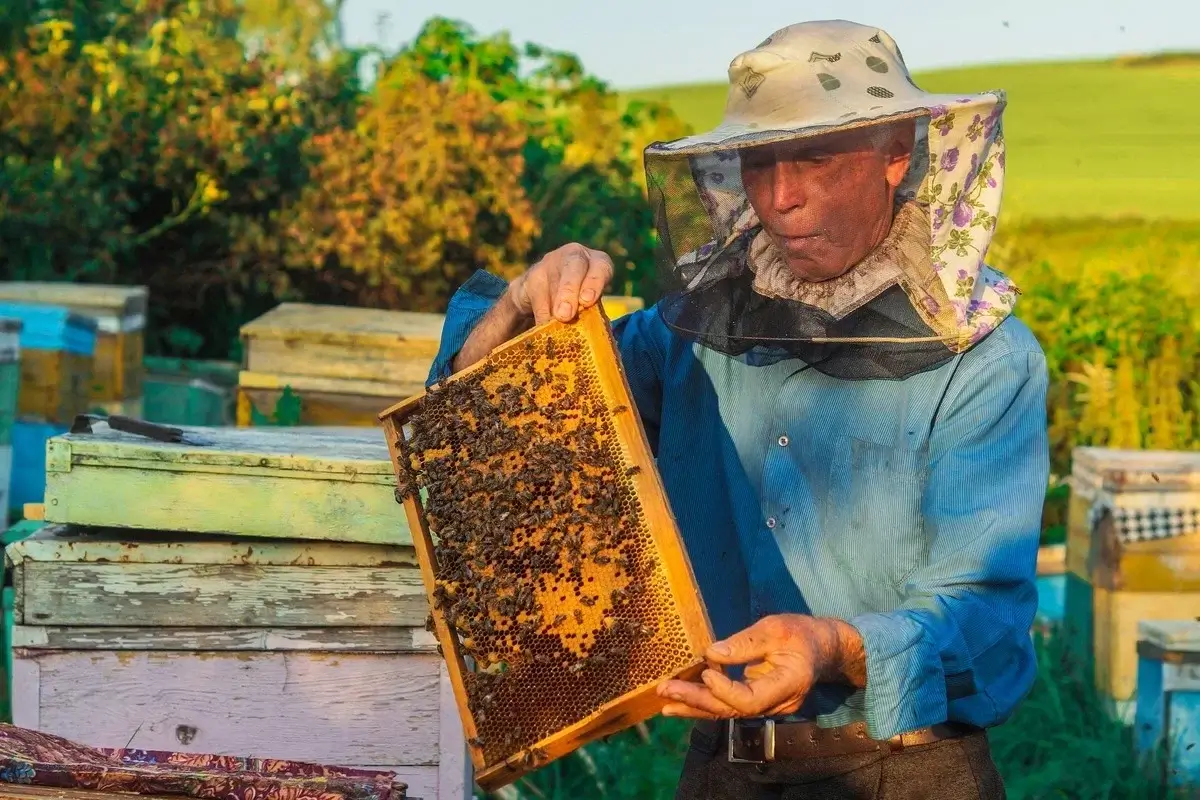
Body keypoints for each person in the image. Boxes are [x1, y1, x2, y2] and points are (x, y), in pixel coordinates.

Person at [426, 19, 1048, 800]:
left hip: (908, 770)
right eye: (759, 163)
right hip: (724, 766)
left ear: (897, 154)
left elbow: (985, 621)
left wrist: (831, 645)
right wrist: (521, 303)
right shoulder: (692, 331)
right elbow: (487, 419)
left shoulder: (987, 358)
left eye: (816, 158)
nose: (782, 197)